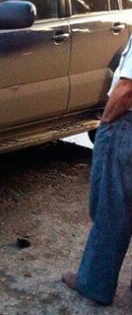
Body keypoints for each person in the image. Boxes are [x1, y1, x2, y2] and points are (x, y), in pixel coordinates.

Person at [62, 34, 132, 306]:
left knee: (111, 205)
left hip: (125, 124)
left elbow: (126, 89)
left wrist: (105, 121)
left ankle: (94, 283)